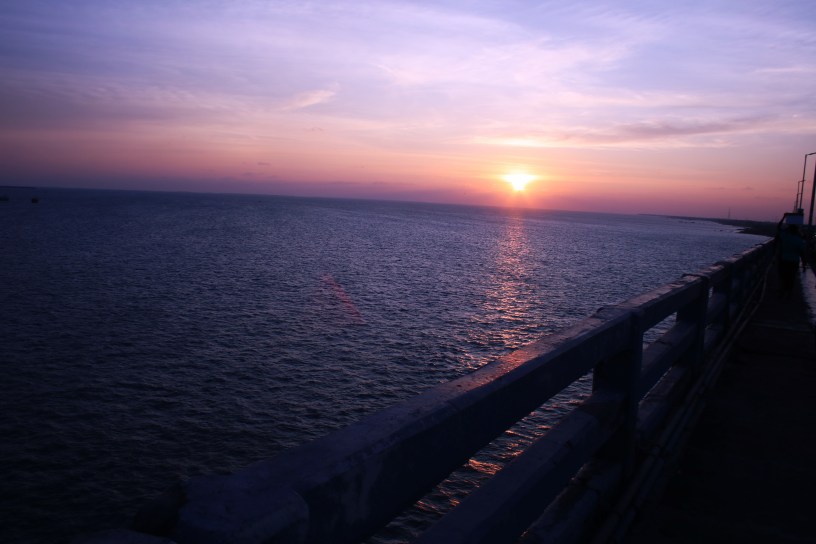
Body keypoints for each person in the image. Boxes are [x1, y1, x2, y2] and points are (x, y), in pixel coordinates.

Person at [777, 223, 806, 298]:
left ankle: (783, 291)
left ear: (789, 230)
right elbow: (802, 253)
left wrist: (783, 218)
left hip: (784, 260)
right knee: (792, 277)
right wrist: (804, 264)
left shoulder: (785, 237)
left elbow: (779, 228)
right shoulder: (799, 240)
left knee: (784, 276)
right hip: (794, 261)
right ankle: (789, 293)